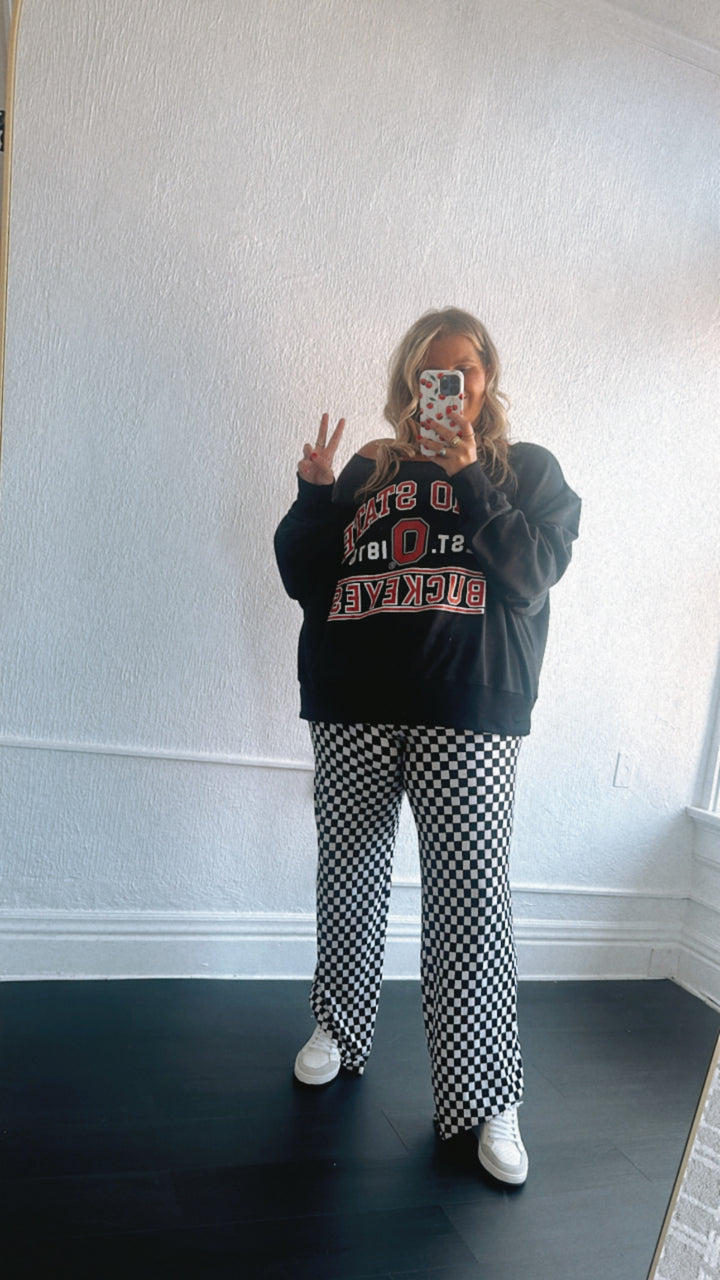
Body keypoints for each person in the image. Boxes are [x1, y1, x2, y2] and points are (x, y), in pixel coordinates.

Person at [274, 307, 581, 1186]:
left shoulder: (526, 469)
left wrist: (469, 478)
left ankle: (487, 1098)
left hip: (469, 707)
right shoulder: (371, 466)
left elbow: (531, 576)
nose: (446, 385)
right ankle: (338, 1026)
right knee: (350, 873)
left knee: (471, 901)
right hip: (353, 701)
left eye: (463, 370)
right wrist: (315, 492)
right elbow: (304, 577)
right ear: (409, 383)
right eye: (429, 372)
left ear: (487, 379)